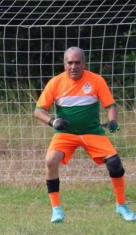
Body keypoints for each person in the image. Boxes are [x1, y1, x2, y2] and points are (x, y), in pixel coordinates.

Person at [34, 46, 136, 223]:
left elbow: (110, 106)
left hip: (92, 132)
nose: (73, 66)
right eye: (70, 63)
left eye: (77, 62)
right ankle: (56, 210)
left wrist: (113, 122)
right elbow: (38, 111)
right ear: (64, 64)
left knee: (115, 164)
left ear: (84, 63)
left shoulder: (96, 80)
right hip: (65, 134)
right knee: (50, 161)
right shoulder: (55, 83)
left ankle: (121, 206)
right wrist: (53, 121)